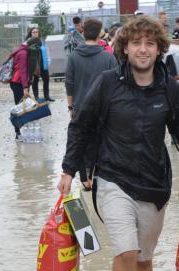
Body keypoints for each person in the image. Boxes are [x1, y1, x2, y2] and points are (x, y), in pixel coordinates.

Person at [58, 16, 179, 271]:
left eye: (150, 44)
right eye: (137, 43)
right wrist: (68, 170)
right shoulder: (108, 83)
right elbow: (80, 126)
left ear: (159, 50)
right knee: (126, 251)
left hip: (155, 184)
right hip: (112, 178)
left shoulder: (169, 86)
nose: (143, 49)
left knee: (143, 259)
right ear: (125, 48)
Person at [65, 18, 118, 191]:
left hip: (80, 106)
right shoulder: (108, 57)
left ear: (82, 32)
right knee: (101, 142)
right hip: (104, 109)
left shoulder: (73, 57)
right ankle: (97, 177)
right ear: (99, 33)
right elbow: (117, 84)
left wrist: (71, 107)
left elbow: (69, 84)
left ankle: (84, 179)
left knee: (80, 140)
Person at [9, 37, 42, 140]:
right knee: (20, 109)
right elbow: (23, 72)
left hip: (17, 82)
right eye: (36, 47)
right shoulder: (23, 54)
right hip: (18, 83)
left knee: (22, 107)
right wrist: (25, 88)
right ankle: (17, 133)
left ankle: (19, 132)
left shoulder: (22, 50)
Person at [26, 27, 54, 101]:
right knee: (35, 80)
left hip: (43, 64)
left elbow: (47, 52)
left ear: (39, 33)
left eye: (37, 32)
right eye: (33, 32)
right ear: (31, 33)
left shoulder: (42, 42)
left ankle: (47, 96)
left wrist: (48, 62)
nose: (35, 33)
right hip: (34, 66)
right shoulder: (28, 42)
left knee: (46, 79)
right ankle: (36, 97)